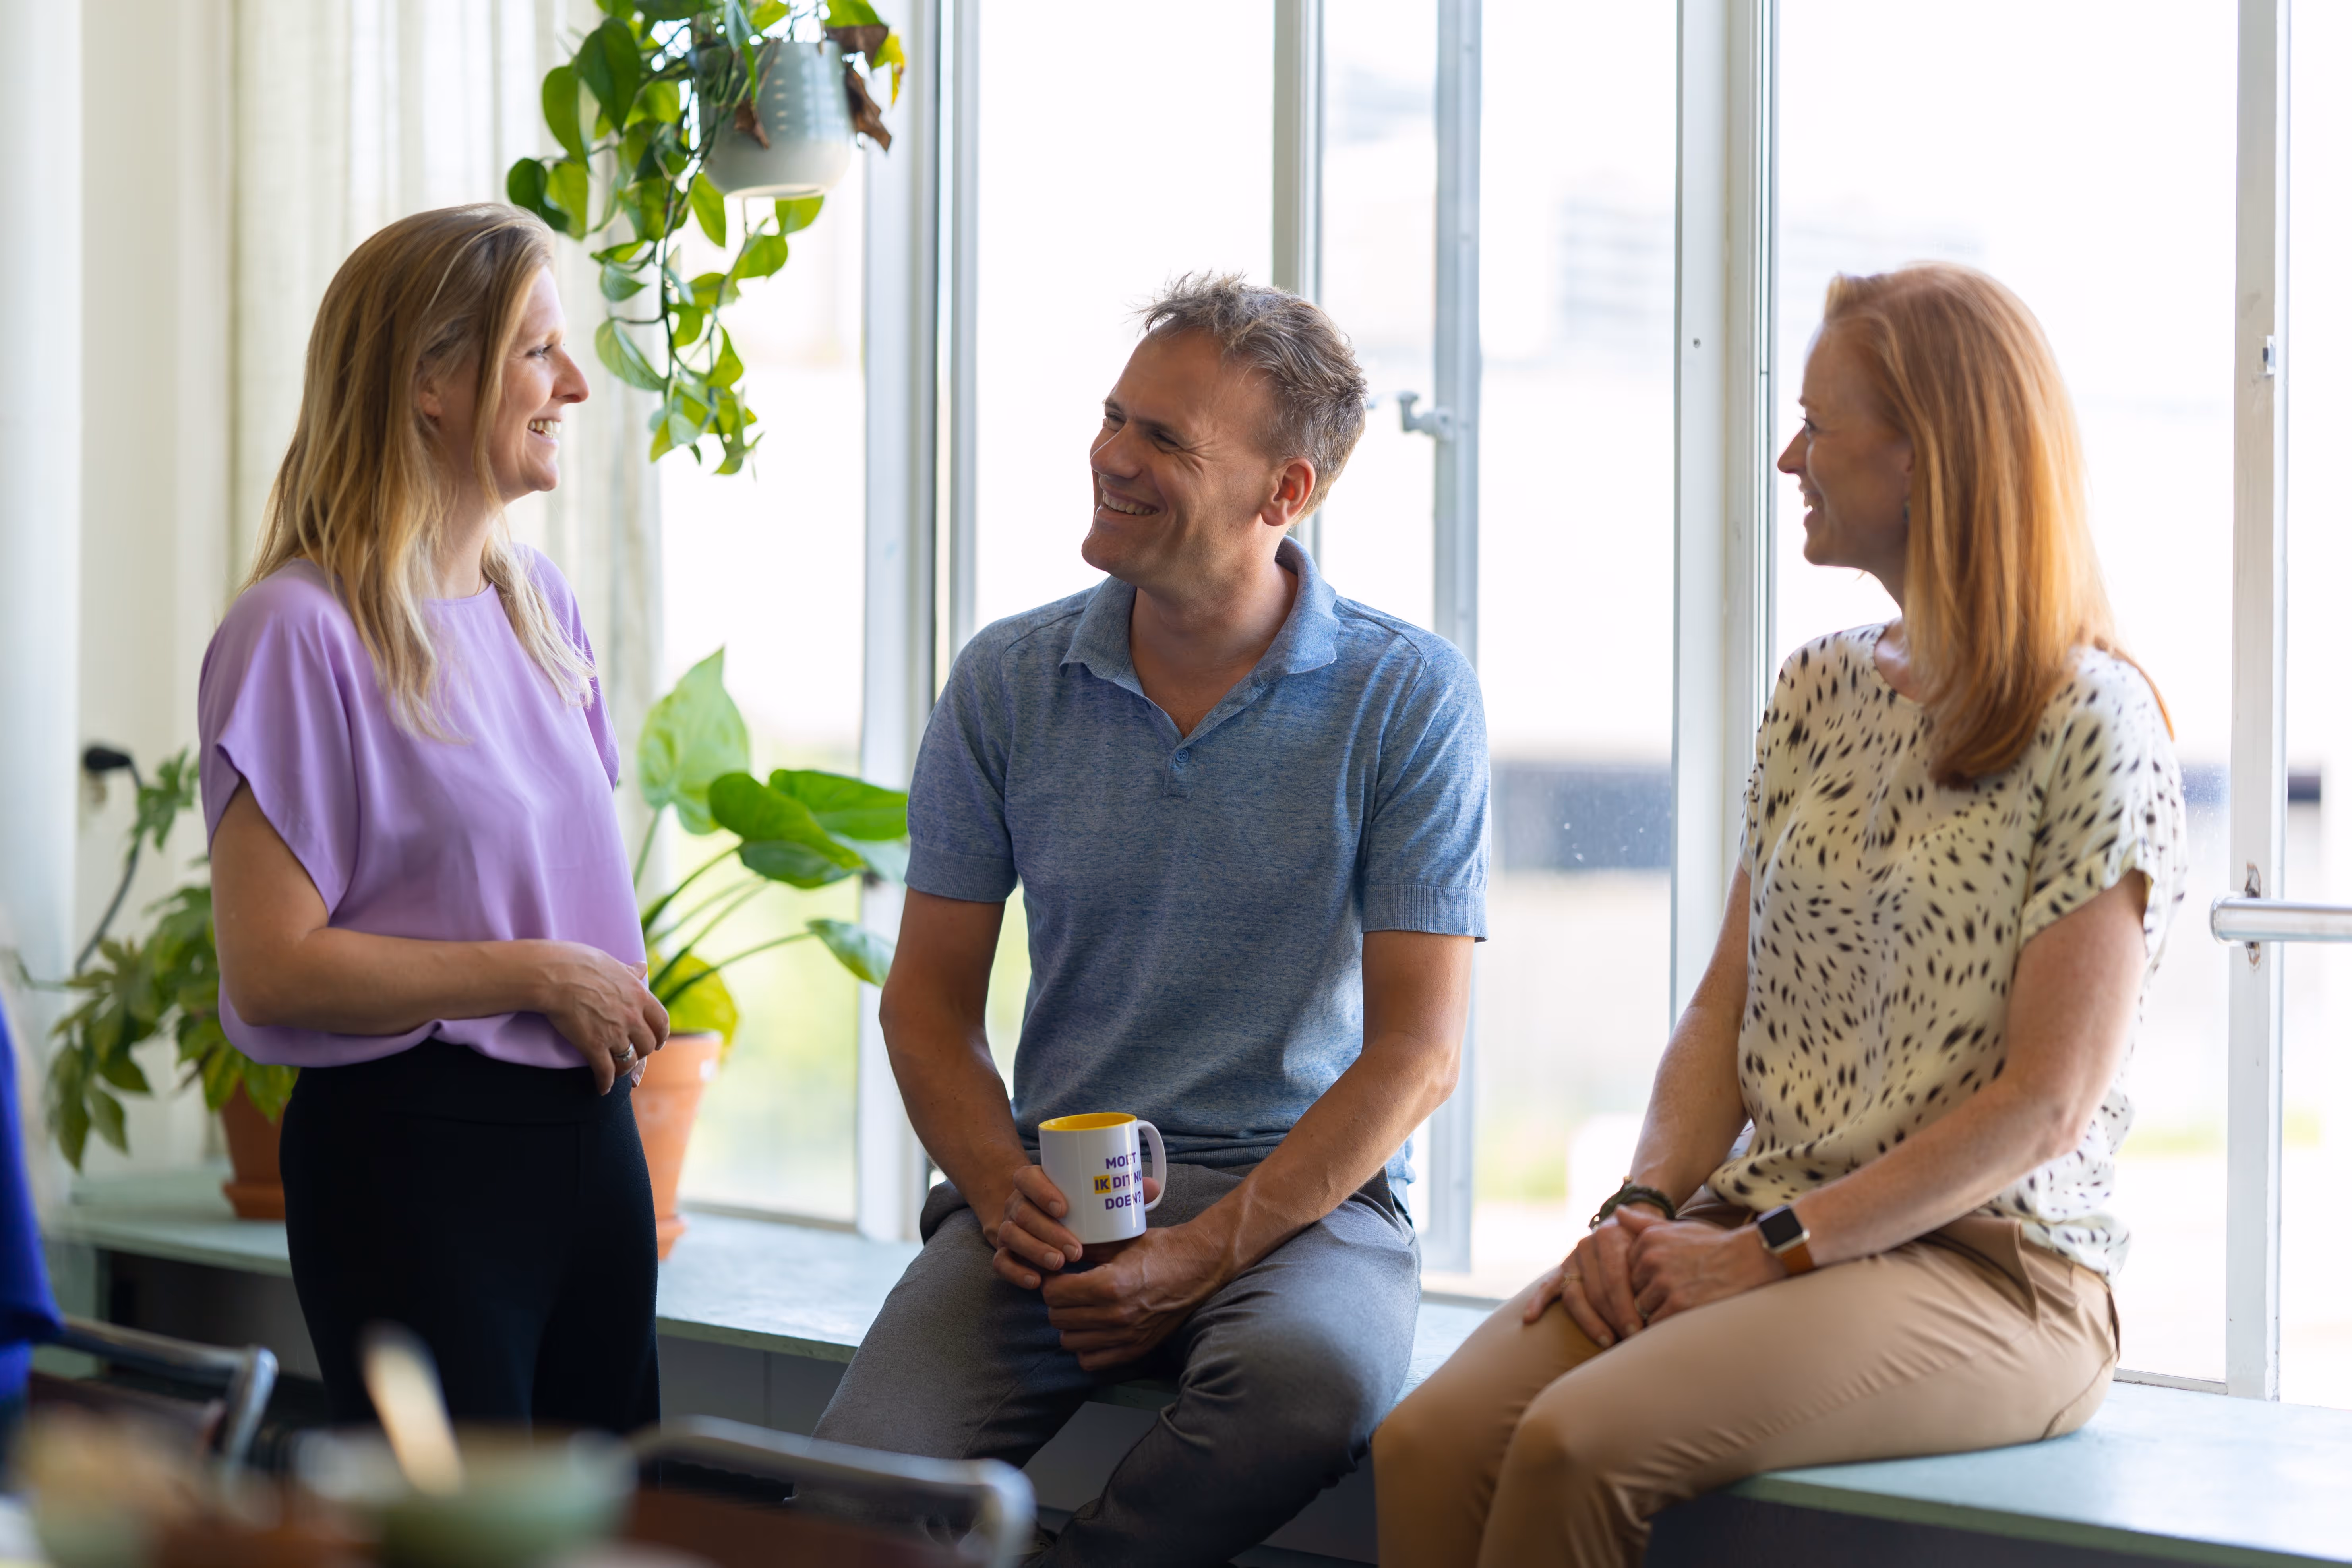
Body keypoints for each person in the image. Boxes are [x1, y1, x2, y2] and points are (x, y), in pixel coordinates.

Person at [1373, 262, 2189, 1567]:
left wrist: (1769, 1252)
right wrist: (1639, 1208)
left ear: (1925, 455)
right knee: (1426, 1441)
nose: (1786, 457)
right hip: (1757, 1221)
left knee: (1575, 1444)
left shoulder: (2095, 721)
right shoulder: (1816, 687)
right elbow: (1724, 1007)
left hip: (1993, 1272)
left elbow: (2045, 1106)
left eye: (1817, 425)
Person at [811, 274, 1488, 1566]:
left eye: (1164, 439)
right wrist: (997, 1186)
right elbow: (928, 1006)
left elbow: (1418, 1053)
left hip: (1305, 1205)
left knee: (1305, 1393)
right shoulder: (1007, 679)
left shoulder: (1406, 696)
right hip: (1049, 1193)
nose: (1110, 456)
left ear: (1284, 492)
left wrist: (1204, 1253)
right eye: (1114, 417)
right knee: (851, 1500)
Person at [200, 204, 667, 1432]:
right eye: (538, 352)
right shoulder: (296, 631)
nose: (575, 384)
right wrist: (538, 974)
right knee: (459, 1525)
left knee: (615, 1518)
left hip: (595, 1146)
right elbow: (271, 969)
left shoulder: (538, 604)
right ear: (429, 383)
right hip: (416, 1164)